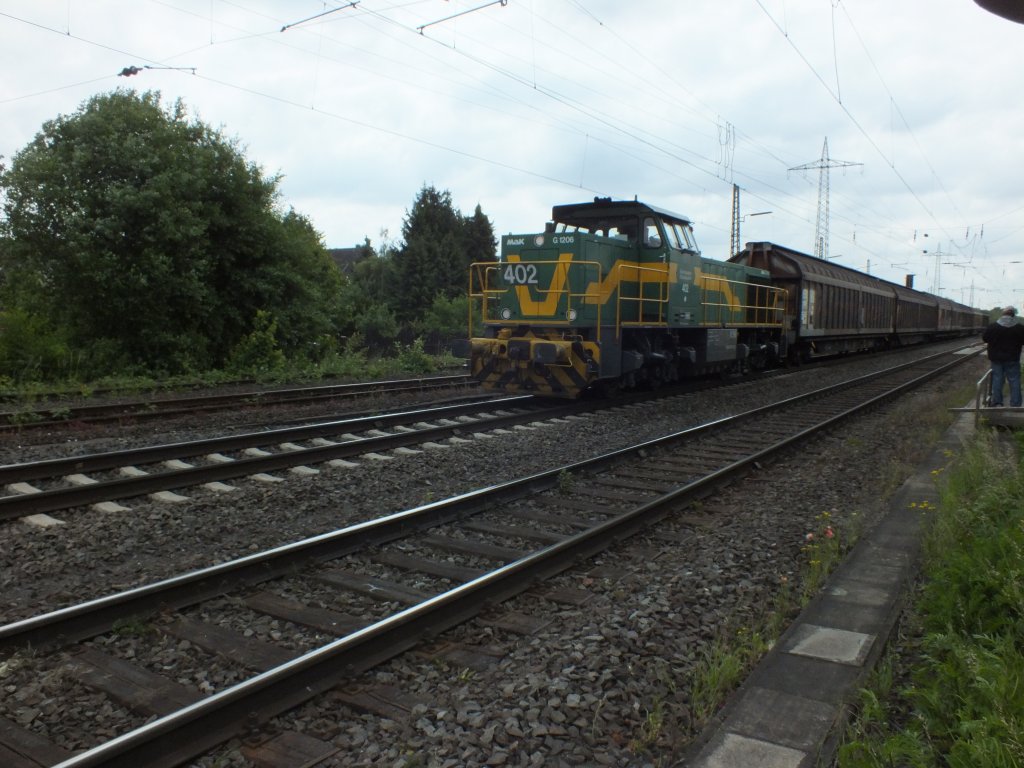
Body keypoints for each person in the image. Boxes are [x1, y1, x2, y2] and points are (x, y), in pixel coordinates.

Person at [982, 306, 1024, 407]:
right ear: (1013, 315)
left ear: (1003, 314)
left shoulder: (993, 326)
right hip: (1013, 359)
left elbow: (985, 338)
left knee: (997, 379)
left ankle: (997, 402)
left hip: (996, 359)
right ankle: (1015, 403)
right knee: (1014, 380)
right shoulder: (1020, 328)